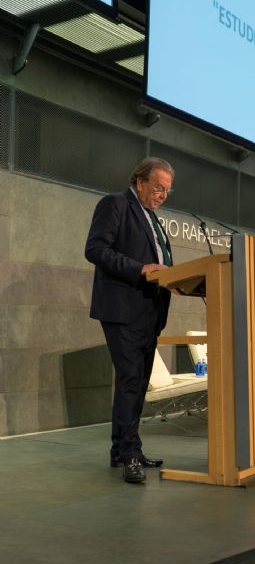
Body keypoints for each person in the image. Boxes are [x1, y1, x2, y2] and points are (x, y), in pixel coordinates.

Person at [85, 157, 174, 483]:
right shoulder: (116, 204)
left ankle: (126, 450)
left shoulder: (153, 219)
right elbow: (95, 249)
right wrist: (140, 268)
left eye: (167, 190)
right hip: (122, 310)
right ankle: (127, 455)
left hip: (149, 312)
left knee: (137, 385)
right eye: (158, 187)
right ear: (140, 181)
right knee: (130, 381)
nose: (163, 194)